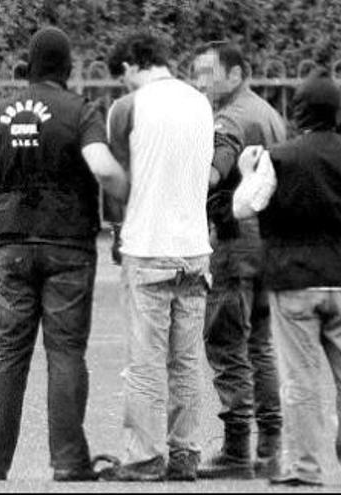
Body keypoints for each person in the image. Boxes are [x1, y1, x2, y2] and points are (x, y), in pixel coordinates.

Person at [0, 26, 129, 482]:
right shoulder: (81, 111)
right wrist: (125, 198)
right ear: (68, 69)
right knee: (65, 353)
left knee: (7, 350)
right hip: (68, 246)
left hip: (10, 244)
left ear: (29, 65)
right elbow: (100, 166)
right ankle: (68, 461)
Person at [100, 31, 215, 481]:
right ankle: (185, 452)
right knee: (186, 361)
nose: (123, 86)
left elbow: (117, 178)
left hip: (147, 245)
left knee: (146, 361)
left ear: (132, 65)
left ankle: (144, 456)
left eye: (122, 77)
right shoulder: (200, 102)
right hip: (194, 247)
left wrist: (117, 230)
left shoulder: (129, 108)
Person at [233, 70, 341, 487]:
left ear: (298, 113)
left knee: (301, 381)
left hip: (293, 279)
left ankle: (306, 469)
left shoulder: (279, 157)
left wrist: (246, 171)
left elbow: (244, 207)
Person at [191, 40, 286, 480]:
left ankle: (235, 448)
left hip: (234, 239)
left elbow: (215, 166)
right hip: (270, 241)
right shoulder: (268, 113)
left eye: (208, 72)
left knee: (227, 341)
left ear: (235, 73)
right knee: (261, 344)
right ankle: (270, 444)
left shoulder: (228, 119)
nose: (200, 81)